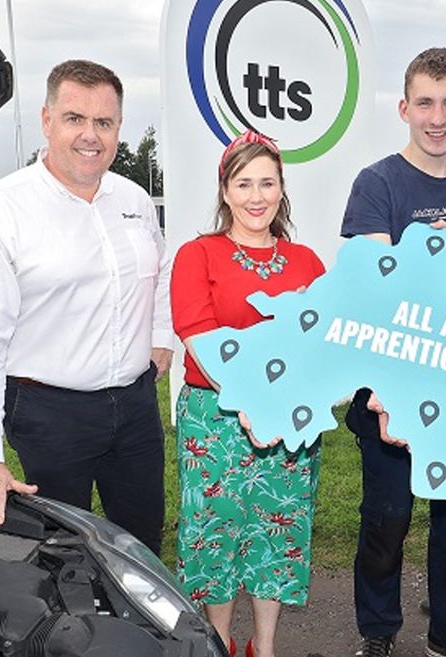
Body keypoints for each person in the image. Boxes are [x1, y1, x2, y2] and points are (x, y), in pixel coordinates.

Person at [0, 60, 173, 554]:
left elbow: (160, 274)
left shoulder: (133, 198)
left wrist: (162, 335)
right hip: (49, 413)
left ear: (118, 128)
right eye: (75, 118)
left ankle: (139, 632)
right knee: (60, 551)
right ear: (47, 120)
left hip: (135, 407)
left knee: (141, 544)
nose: (90, 135)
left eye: (104, 122)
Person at [341, 47, 446, 657]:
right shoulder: (377, 183)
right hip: (389, 393)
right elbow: (375, 287)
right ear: (404, 108)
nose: (437, 118)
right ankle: (378, 634)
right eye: (425, 104)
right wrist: (430, 255)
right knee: (386, 523)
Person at [171, 130, 325, 657]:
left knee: (273, 535)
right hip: (214, 422)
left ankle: (264, 646)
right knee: (214, 534)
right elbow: (199, 335)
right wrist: (252, 401)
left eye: (267, 182)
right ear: (225, 191)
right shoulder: (199, 255)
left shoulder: (307, 262)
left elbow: (324, 343)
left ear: (282, 189)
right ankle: (217, 645)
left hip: (287, 425)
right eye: (244, 184)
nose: (256, 196)